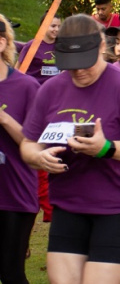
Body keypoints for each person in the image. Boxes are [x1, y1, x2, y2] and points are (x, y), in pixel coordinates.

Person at [20, 14, 120, 284]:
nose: (79, 71)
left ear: (100, 48)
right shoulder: (51, 90)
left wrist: (106, 148)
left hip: (119, 204)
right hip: (69, 204)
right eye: (70, 65)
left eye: (84, 63)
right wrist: (39, 157)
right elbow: (27, 144)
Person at [0, 14, 41, 284]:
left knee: (12, 274)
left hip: (13, 195)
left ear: (2, 43)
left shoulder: (26, 87)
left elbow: (37, 145)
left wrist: (3, 118)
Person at [17, 12, 62, 84]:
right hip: (35, 90)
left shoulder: (63, 46)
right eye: (53, 26)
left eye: (59, 26)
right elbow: (18, 70)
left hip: (54, 91)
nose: (57, 29)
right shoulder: (31, 45)